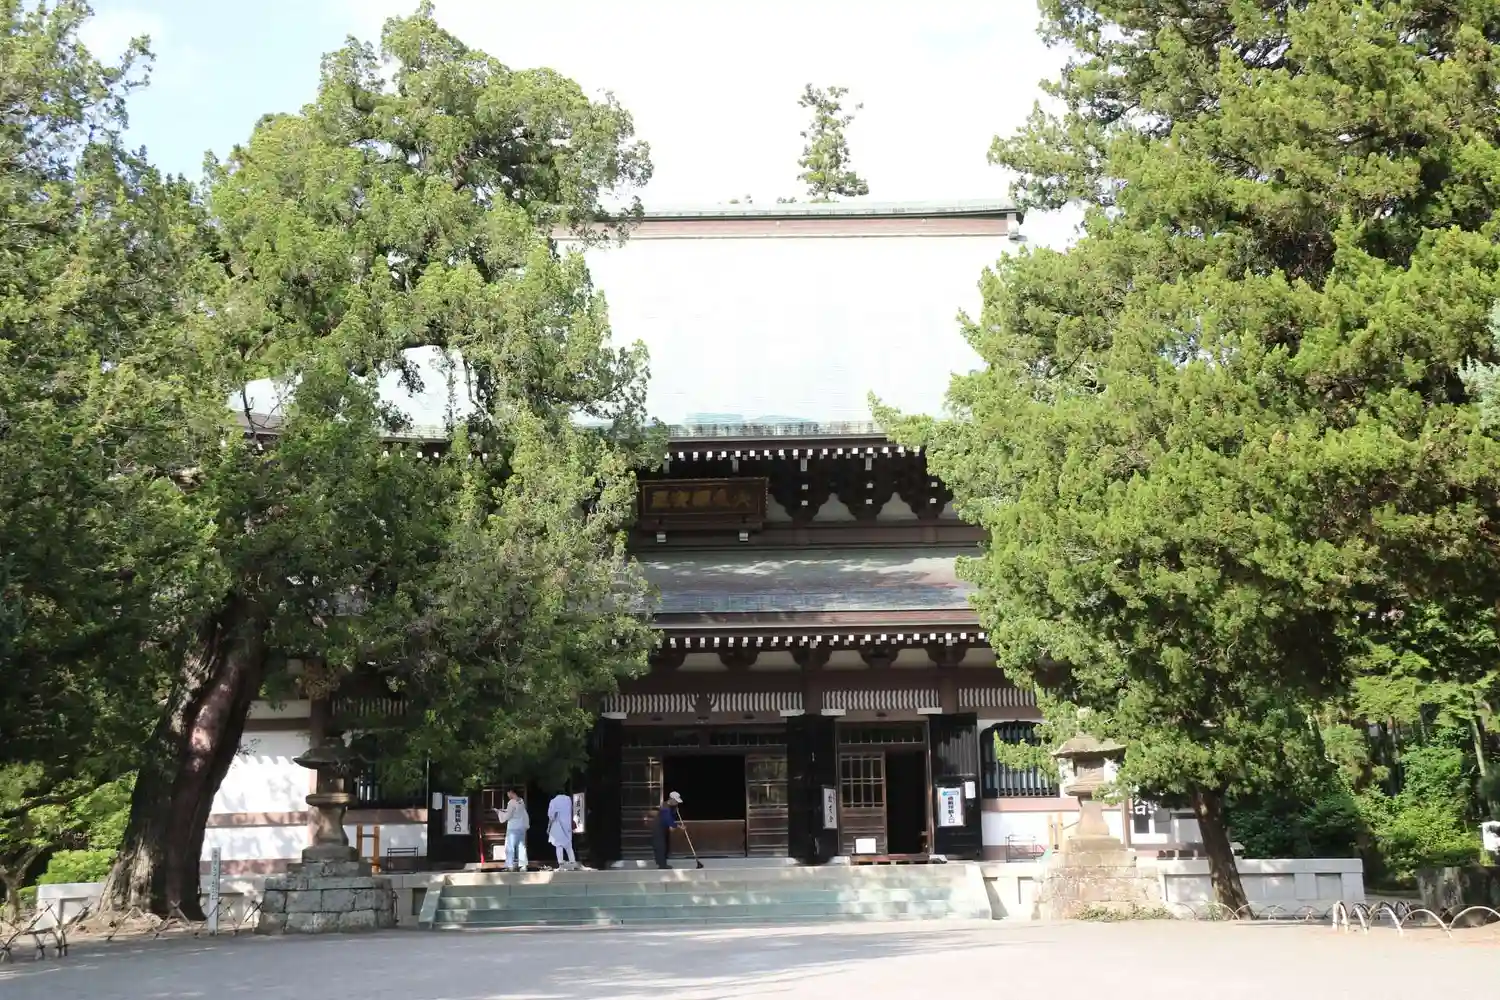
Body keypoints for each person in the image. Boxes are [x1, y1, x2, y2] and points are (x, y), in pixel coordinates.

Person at [496, 787, 529, 872]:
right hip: (521, 826)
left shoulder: (511, 802)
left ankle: (510, 865)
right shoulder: (521, 801)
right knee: (521, 846)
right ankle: (523, 865)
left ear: (511, 792)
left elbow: (508, 815)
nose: (508, 795)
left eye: (508, 793)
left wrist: (499, 813)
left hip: (513, 827)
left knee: (510, 846)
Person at [547, 790, 577, 870]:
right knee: (569, 846)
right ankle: (572, 863)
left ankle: (561, 865)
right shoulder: (568, 799)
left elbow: (551, 816)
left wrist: (549, 827)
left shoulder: (554, 801)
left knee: (559, 845)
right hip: (568, 825)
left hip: (558, 825)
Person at [652, 791, 682, 870]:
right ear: (671, 799)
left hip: (663, 828)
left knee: (663, 846)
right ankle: (662, 865)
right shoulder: (665, 808)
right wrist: (675, 826)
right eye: (676, 801)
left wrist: (675, 811)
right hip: (658, 829)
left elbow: (670, 818)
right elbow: (669, 820)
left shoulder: (669, 806)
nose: (677, 803)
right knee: (661, 847)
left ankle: (660, 862)